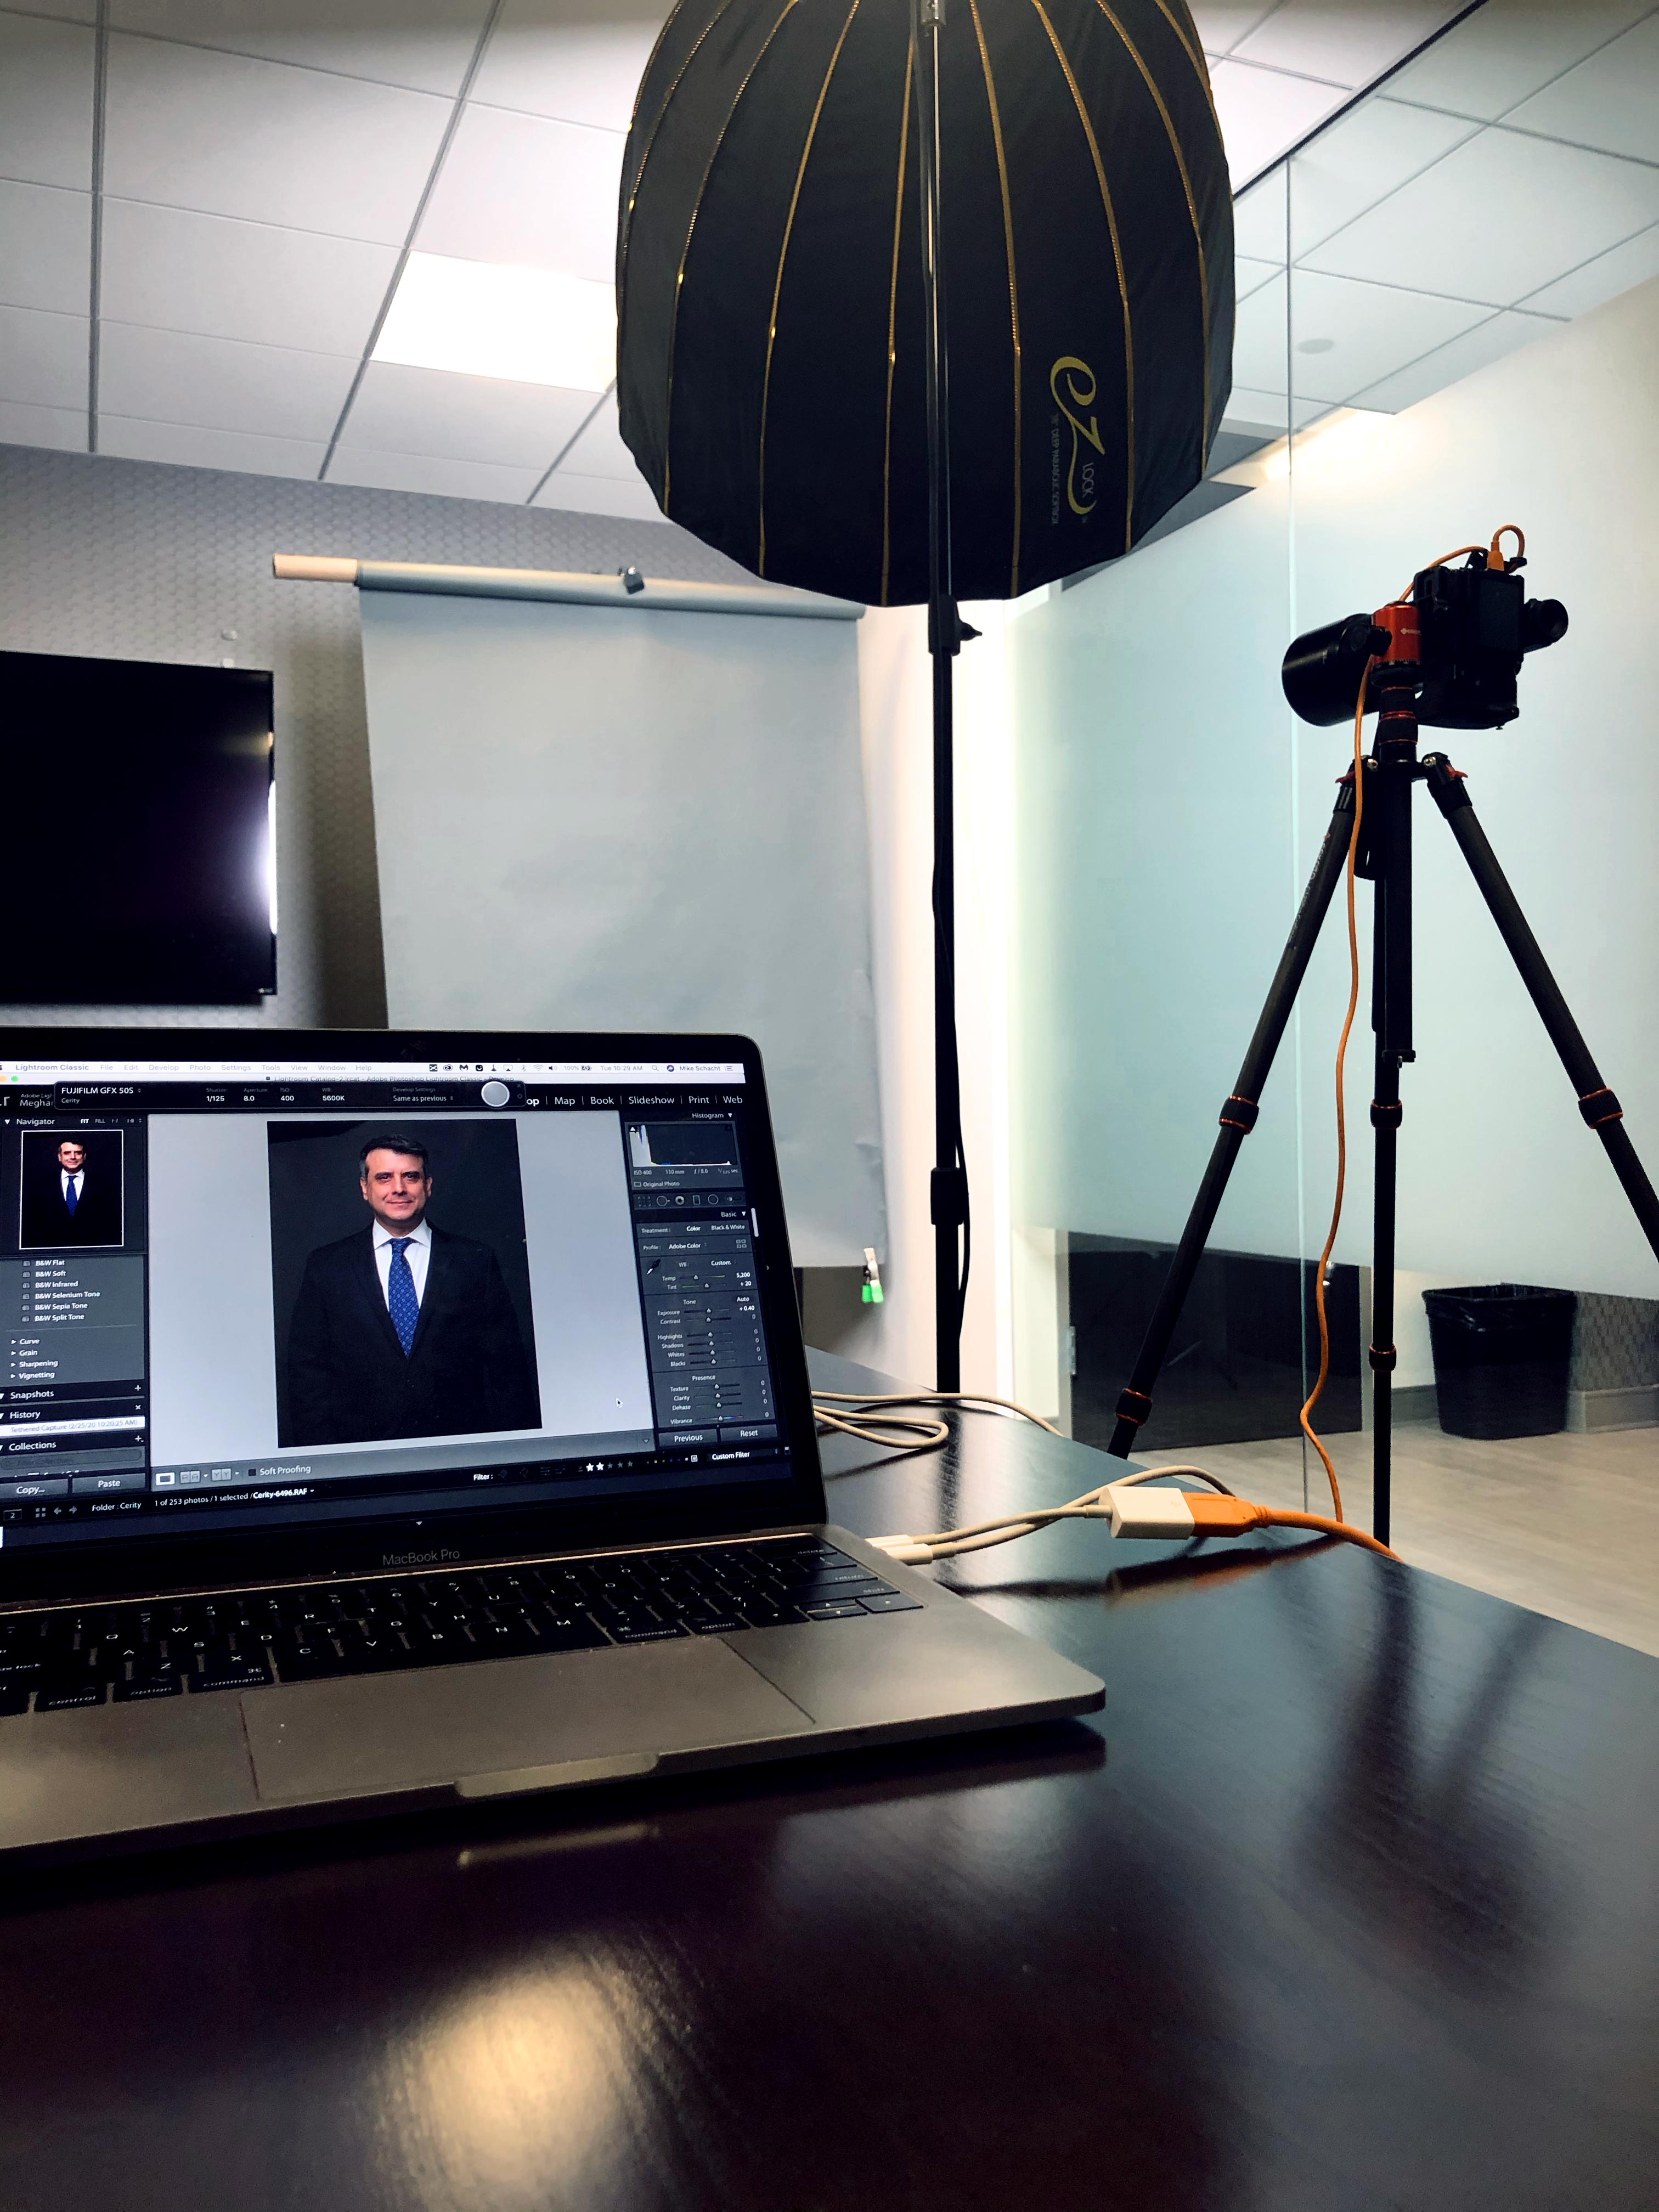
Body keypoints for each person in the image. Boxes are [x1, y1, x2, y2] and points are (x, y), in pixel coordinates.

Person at [284, 1135, 541, 1446]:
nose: (399, 1189)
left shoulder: (474, 1261)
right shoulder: (327, 1266)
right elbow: (307, 1375)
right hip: (359, 1454)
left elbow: (507, 1372)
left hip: (460, 1450)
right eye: (384, 1178)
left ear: (428, 1185)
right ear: (365, 1188)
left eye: (411, 1176)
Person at [19, 1134, 123, 1248]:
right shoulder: (41, 1187)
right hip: (51, 1255)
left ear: (84, 1156)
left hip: (91, 1254)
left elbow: (110, 1227)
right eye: (67, 1153)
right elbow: (32, 1227)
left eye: (78, 1153)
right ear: (60, 1157)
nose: (73, 1157)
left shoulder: (102, 1186)